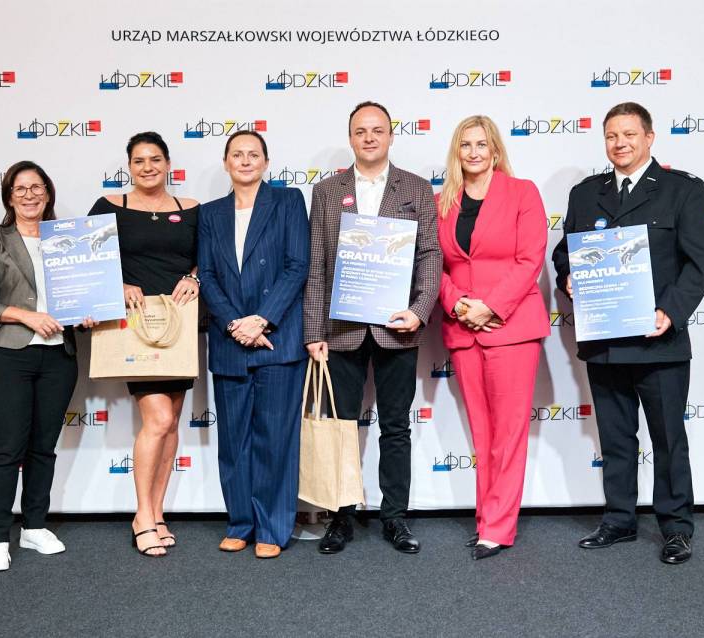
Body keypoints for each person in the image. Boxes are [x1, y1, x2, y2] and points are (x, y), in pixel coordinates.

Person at [552, 102, 704, 565]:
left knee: (668, 440)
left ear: (649, 137)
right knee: (616, 438)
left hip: (659, 341)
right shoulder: (586, 194)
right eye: (611, 136)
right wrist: (568, 277)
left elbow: (701, 261)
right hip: (605, 342)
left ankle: (676, 528)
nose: (619, 143)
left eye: (628, 134)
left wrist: (671, 311)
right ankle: (619, 520)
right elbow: (565, 252)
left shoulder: (683, 190)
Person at [303, 101, 441, 554]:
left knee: (396, 426)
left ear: (391, 136)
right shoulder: (327, 192)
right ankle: (341, 517)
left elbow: (430, 254)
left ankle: (395, 517)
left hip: (396, 327)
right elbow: (316, 263)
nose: (369, 137)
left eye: (377, 130)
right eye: (360, 131)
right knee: (341, 427)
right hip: (340, 328)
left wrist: (419, 310)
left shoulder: (416, 188)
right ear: (350, 137)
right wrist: (313, 331)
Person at [0, 161, 96, 571]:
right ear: (8, 196)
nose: (29, 195)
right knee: (6, 449)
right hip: (8, 356)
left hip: (59, 357)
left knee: (43, 447)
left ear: (48, 193)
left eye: (37, 187)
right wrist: (27, 316)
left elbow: (82, 295)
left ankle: (34, 526)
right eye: (20, 188)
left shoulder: (69, 239)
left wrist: (87, 313)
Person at [435, 116, 550, 560]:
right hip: (464, 328)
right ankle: (487, 519)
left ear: (496, 150)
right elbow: (434, 264)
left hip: (511, 327)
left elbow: (530, 259)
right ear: (457, 152)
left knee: (508, 433)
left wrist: (491, 306)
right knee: (482, 434)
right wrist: (459, 304)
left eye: (482, 144)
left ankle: (499, 527)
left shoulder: (522, 193)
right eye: (465, 145)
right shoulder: (442, 201)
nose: (474, 152)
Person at [198, 130, 310, 559]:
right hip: (230, 342)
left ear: (266, 161)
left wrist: (261, 319)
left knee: (275, 439)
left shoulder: (288, 201)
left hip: (277, 339)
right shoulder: (210, 213)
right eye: (237, 154)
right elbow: (207, 275)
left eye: (253, 154)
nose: (245, 161)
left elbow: (297, 265)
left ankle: (271, 528)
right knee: (234, 441)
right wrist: (234, 324)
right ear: (226, 162)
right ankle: (240, 523)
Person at [88, 132, 200, 557]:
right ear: (129, 166)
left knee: (171, 423)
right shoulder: (109, 206)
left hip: (179, 325)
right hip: (134, 327)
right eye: (139, 160)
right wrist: (115, 284)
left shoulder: (191, 209)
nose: (147, 167)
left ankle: (157, 512)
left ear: (168, 163)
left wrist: (193, 276)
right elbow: (84, 258)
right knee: (157, 419)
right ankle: (141, 516)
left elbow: (207, 257)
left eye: (155, 159)